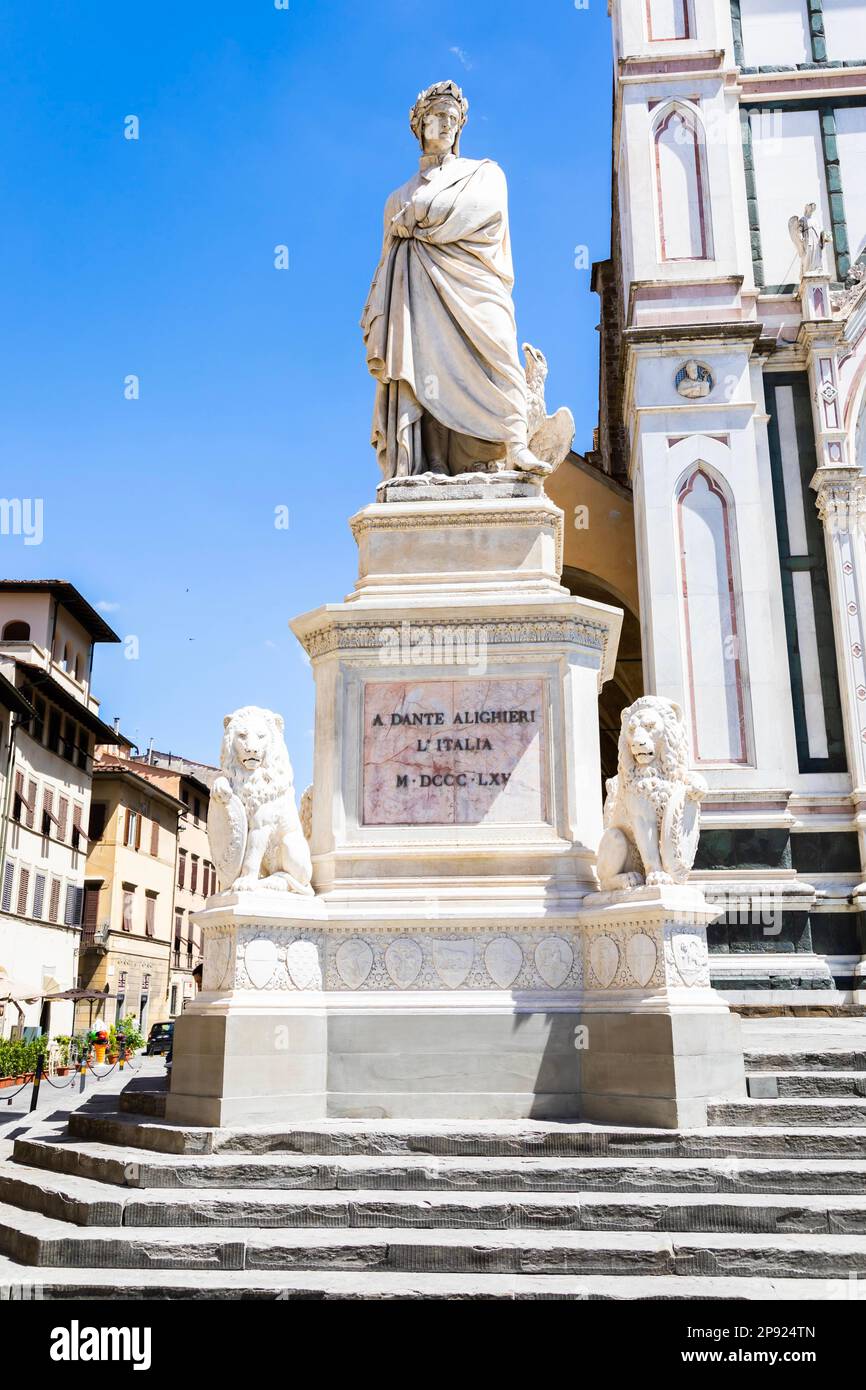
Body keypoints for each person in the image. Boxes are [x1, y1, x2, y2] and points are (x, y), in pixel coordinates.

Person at [361, 80, 548, 479]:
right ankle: (431, 461)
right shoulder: (397, 197)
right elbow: (387, 261)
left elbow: (483, 210)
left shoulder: (484, 173)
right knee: (422, 364)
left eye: (452, 118)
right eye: (437, 117)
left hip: (477, 284)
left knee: (499, 352)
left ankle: (514, 443)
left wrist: (419, 218)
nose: (446, 124)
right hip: (416, 294)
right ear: (420, 126)